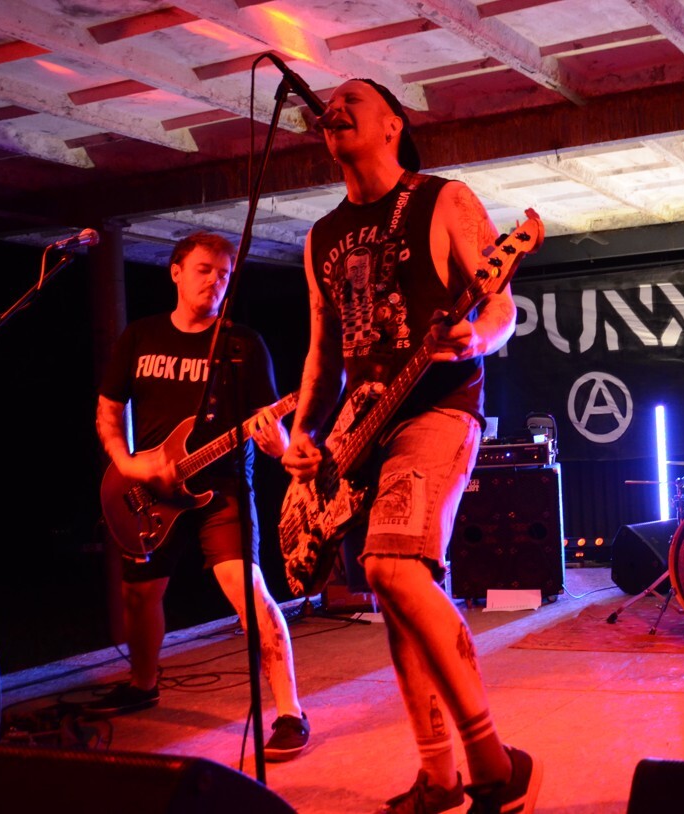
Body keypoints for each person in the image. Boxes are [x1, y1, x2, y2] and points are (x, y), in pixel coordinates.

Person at [282, 79, 540, 814]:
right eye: (328, 105)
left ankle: (494, 765)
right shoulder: (321, 237)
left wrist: (475, 339)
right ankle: (438, 776)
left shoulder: (441, 200)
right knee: (393, 594)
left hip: (437, 407)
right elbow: (324, 349)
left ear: (393, 124)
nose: (332, 108)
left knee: (390, 566)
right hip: (358, 428)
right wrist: (304, 434)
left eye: (352, 99)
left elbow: (499, 303)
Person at [92, 232, 310, 760]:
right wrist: (128, 464)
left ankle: (290, 712)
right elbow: (108, 411)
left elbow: (274, 429)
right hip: (148, 491)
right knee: (139, 595)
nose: (216, 281)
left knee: (249, 593)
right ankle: (143, 684)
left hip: (222, 488)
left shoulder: (242, 344)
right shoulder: (140, 337)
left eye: (224, 274)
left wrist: (278, 442)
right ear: (176, 272)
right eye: (205, 270)